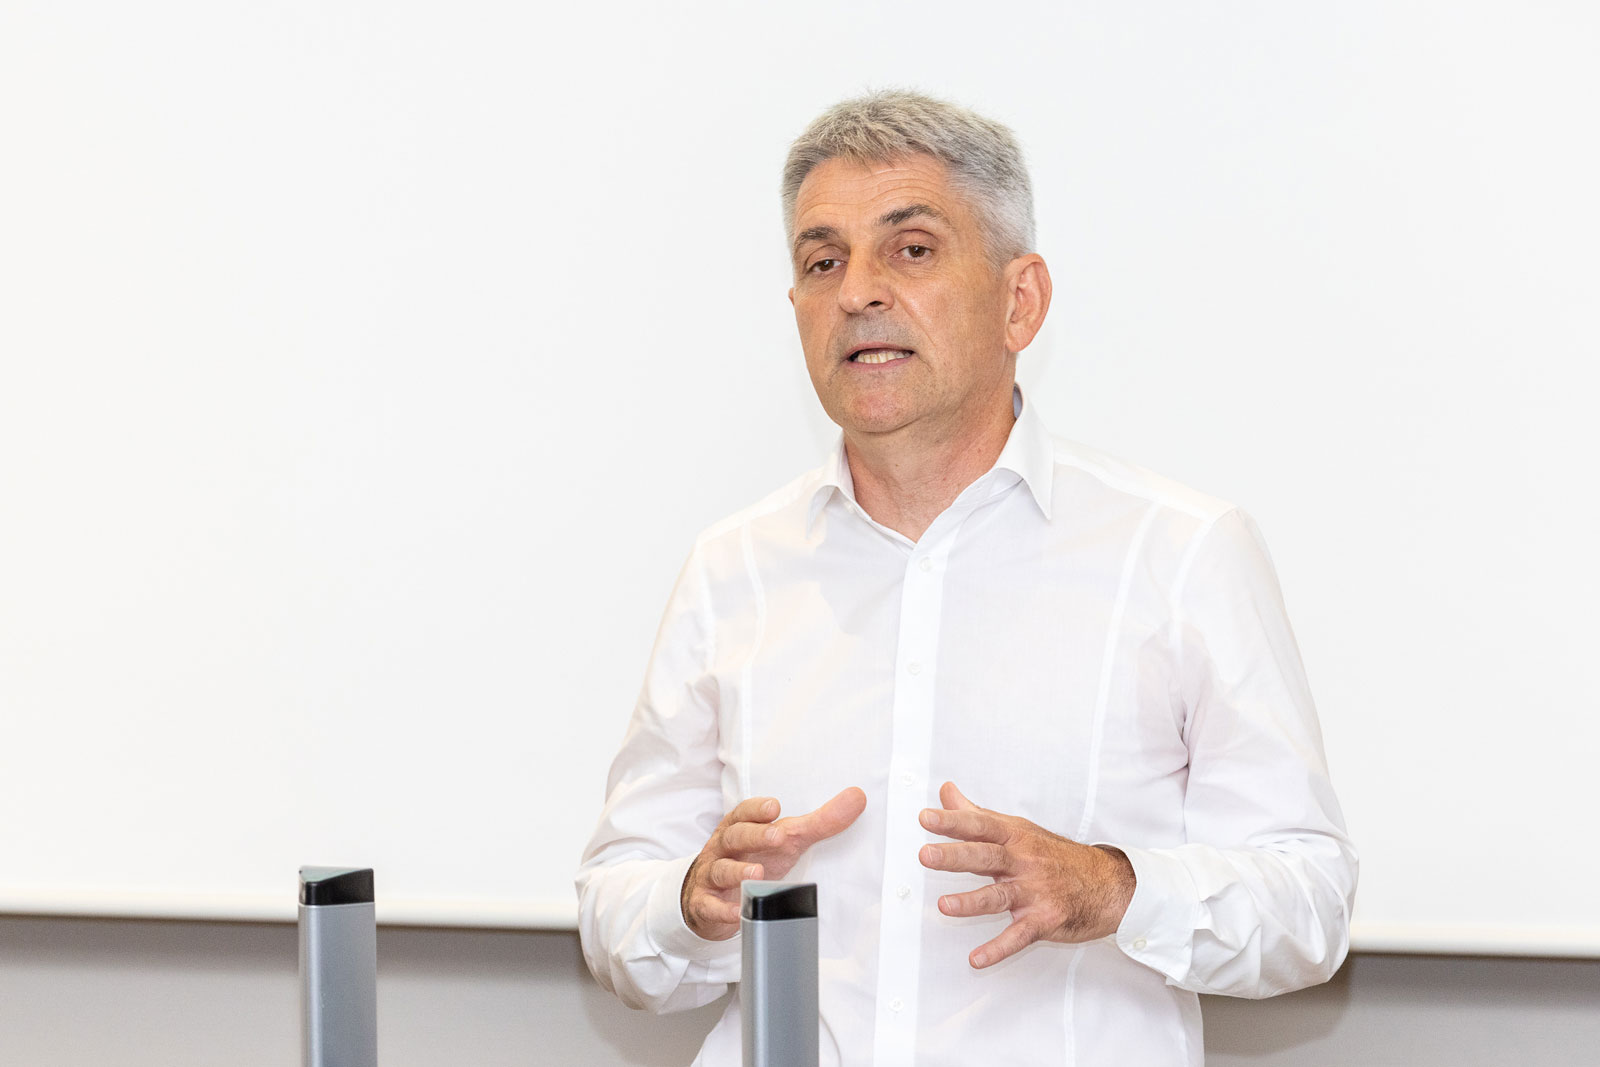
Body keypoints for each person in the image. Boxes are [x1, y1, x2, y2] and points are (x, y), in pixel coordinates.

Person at [575, 90, 1356, 1067]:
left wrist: (1116, 887)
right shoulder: (732, 568)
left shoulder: (1181, 551)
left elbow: (1310, 901)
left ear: (1018, 301)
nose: (857, 292)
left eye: (910, 249)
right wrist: (689, 899)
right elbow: (616, 907)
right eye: (823, 261)